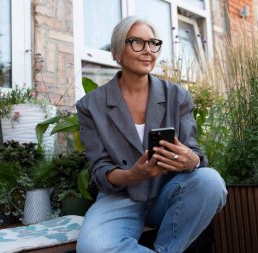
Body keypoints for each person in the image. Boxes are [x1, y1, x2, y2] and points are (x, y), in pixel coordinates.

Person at [76, 16, 227, 253]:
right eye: (137, 42)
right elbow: (100, 170)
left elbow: (195, 154)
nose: (148, 51)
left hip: (166, 193)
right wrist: (133, 175)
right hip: (120, 197)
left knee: (210, 181)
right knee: (93, 247)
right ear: (117, 52)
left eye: (153, 43)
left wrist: (192, 160)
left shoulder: (178, 97)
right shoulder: (90, 106)